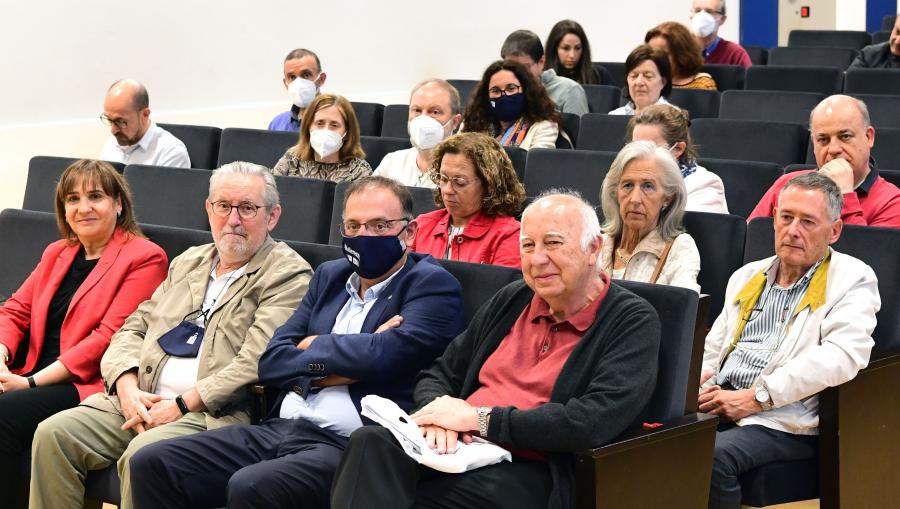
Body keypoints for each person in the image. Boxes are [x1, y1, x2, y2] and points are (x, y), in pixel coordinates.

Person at [128, 176, 465, 509]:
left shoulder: (432, 286)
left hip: (348, 446)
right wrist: (356, 350)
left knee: (253, 485)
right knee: (151, 463)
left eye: (379, 226)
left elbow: (385, 358)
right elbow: (272, 361)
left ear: (409, 232)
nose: (364, 236)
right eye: (354, 226)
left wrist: (312, 346)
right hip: (280, 427)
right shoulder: (330, 276)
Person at [330, 191, 662, 509]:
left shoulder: (631, 320)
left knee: (398, 497)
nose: (538, 259)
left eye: (553, 243)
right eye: (528, 245)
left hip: (529, 465)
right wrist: (438, 417)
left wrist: (479, 420)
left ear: (593, 248)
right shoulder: (513, 298)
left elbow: (591, 420)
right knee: (369, 442)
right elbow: (441, 372)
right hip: (456, 444)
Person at [29, 162, 313, 509]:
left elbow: (257, 360)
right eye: (223, 206)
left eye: (247, 208)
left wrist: (181, 404)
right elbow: (132, 328)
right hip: (141, 398)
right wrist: (127, 388)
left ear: (272, 216)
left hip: (210, 413)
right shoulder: (189, 261)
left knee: (143, 453)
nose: (233, 219)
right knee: (54, 435)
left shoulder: (287, 274)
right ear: (209, 209)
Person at [700, 172, 879, 509]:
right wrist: (698, 392)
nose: (793, 230)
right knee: (649, 442)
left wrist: (759, 396)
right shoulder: (747, 275)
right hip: (722, 400)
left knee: (709, 458)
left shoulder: (853, 278)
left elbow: (842, 356)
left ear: (834, 231)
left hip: (785, 418)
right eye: (786, 217)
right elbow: (712, 351)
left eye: (808, 222)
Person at [0, 160, 167, 505]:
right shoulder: (58, 252)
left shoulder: (145, 257)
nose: (83, 207)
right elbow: (16, 310)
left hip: (86, 383)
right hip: (29, 372)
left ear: (118, 203)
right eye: (73, 199)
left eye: (95, 196)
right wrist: (1, 356)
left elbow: (107, 338)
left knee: (5, 415)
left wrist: (30, 383)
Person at [749, 95, 900, 227]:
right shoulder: (787, 184)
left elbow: (862, 250)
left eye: (845, 136)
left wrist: (845, 196)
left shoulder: (892, 202)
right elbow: (752, 239)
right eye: (823, 139)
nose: (833, 149)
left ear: (869, 137)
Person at [598, 140, 701, 292]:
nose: (635, 199)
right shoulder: (597, 245)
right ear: (615, 192)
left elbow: (684, 304)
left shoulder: (680, 248)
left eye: (648, 186)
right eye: (628, 185)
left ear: (668, 198)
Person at [411, 133, 525, 267]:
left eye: (459, 182)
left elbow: (499, 282)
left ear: (489, 185)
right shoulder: (421, 225)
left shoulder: (509, 234)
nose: (447, 190)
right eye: (443, 178)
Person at [626, 104, 728, 213]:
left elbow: (682, 224)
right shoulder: (624, 177)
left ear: (678, 149)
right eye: (635, 146)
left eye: (650, 147)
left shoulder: (705, 185)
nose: (639, 154)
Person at [373, 79, 463, 188]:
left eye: (435, 112)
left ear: (455, 122)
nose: (423, 119)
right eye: (417, 110)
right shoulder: (392, 162)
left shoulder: (463, 172)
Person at [461, 60, 561, 150]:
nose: (504, 95)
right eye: (495, 91)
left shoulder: (543, 126)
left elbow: (537, 162)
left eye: (511, 88)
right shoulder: (473, 122)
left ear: (526, 90)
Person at [272, 94, 372, 182]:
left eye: (334, 125)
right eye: (319, 123)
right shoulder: (293, 157)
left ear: (347, 133)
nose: (326, 130)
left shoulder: (359, 171)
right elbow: (270, 190)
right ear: (308, 127)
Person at [99, 79, 191, 168]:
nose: (113, 130)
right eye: (109, 120)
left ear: (145, 114)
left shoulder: (171, 153)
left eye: (120, 121)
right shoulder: (111, 144)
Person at [501, 29, 590, 116]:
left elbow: (578, 126)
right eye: (510, 68)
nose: (516, 74)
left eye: (524, 68)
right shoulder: (499, 91)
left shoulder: (569, 90)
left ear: (541, 62)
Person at [268, 48, 327, 132]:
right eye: (292, 77)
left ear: (321, 79)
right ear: (286, 84)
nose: (299, 82)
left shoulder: (336, 120)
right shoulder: (277, 124)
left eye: (306, 75)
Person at [646, 21, 718, 90]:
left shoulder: (702, 84)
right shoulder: (644, 82)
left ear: (682, 55)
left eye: (662, 54)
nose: (655, 59)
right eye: (650, 53)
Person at [610, 45, 675, 115]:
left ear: (663, 82)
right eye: (634, 76)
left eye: (648, 76)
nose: (639, 82)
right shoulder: (614, 115)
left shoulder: (675, 118)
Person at [544, 19, 611, 85]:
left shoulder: (599, 75)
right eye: (566, 48)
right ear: (554, 49)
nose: (572, 55)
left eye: (577, 48)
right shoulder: (541, 76)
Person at [691, 0, 752, 68]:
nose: (701, 16)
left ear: (722, 19)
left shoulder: (735, 54)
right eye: (697, 11)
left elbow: (749, 74)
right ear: (691, 17)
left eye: (709, 12)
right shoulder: (681, 50)